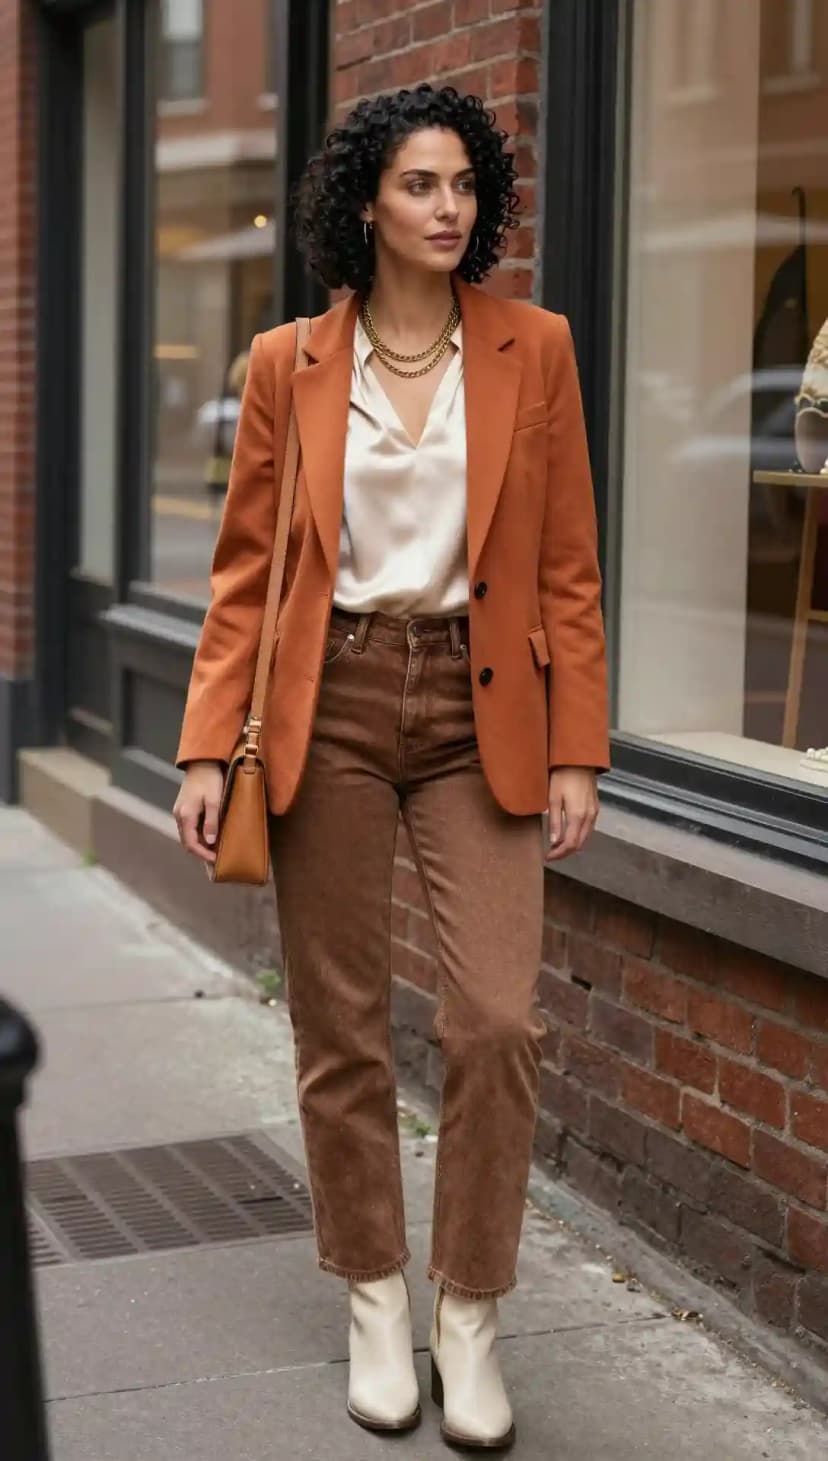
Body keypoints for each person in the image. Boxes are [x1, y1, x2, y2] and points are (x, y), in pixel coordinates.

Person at [173, 83, 609, 1452]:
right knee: (341, 1024)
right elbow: (245, 572)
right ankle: (374, 1292)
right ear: (366, 201)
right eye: (422, 185)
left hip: (487, 713)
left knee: (491, 1018)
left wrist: (581, 748)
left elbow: (568, 570)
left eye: (465, 186)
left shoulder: (533, 349)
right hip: (335, 700)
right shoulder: (286, 363)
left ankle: (469, 1310)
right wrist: (203, 742)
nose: (448, 207)